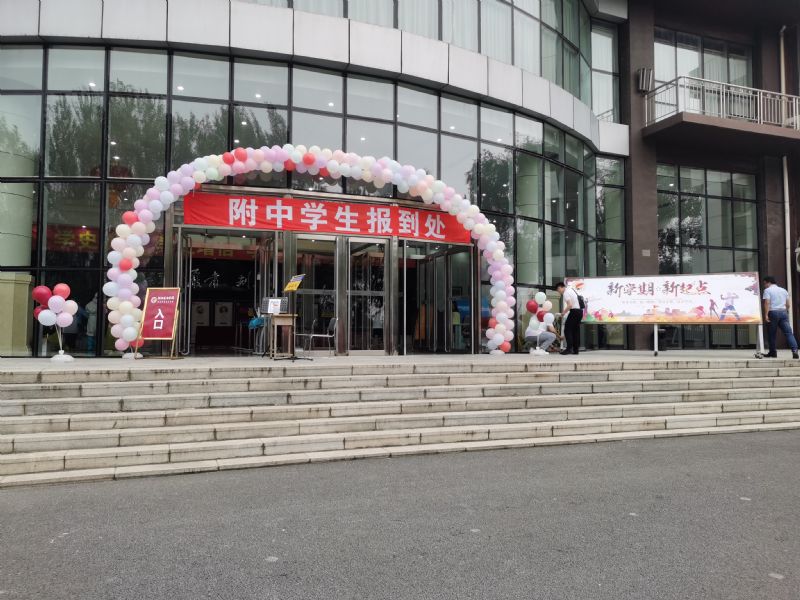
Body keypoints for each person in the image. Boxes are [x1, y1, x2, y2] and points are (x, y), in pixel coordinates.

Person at [761, 276, 798, 359]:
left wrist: (766, 314)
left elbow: (767, 303)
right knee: (788, 333)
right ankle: (795, 350)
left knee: (772, 334)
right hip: (783, 312)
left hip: (772, 312)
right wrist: (785, 311)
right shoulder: (783, 290)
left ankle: (773, 352)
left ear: (768, 282)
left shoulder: (767, 290)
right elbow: (788, 304)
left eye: (765, 283)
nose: (764, 285)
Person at [556, 282, 582, 355]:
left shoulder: (566, 293)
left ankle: (569, 349)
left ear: (561, 287)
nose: (559, 292)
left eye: (558, 290)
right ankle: (575, 350)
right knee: (575, 331)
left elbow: (570, 305)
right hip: (580, 312)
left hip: (574, 312)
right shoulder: (571, 290)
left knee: (567, 329)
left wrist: (563, 313)